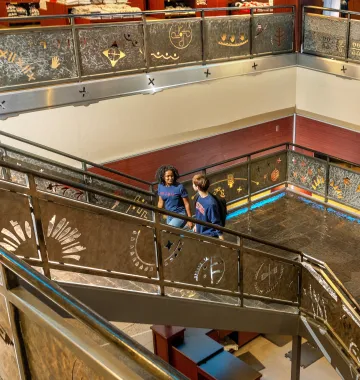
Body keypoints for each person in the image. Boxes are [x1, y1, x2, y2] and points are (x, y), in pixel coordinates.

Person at [192, 174, 224, 240]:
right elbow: (198, 214)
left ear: (197, 187)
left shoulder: (211, 204)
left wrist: (222, 240)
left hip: (209, 236)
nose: (192, 185)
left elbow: (216, 223)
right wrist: (196, 225)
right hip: (200, 232)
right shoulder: (198, 197)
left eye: (193, 184)